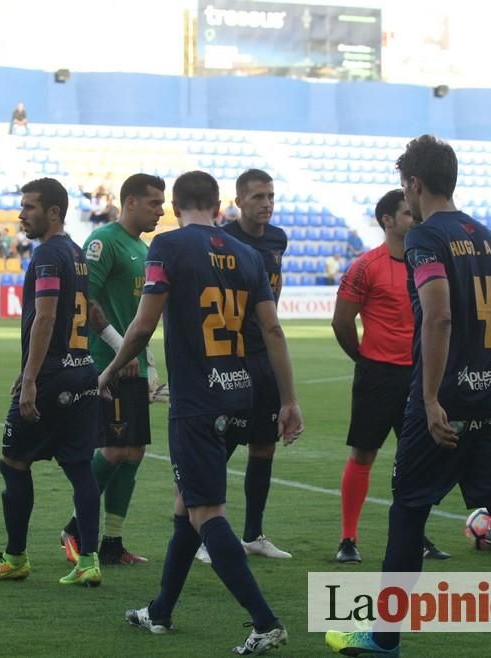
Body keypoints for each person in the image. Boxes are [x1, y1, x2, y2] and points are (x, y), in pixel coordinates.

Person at [326, 135, 491, 657]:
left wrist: (433, 397)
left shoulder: (425, 239)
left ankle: (384, 638)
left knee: (407, 514)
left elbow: (437, 315)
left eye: (404, 186)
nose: (404, 199)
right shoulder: (487, 238)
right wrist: (482, 370)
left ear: (413, 184)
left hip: (444, 403)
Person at [100, 170, 303, 655]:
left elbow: (144, 325)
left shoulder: (168, 247)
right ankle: (161, 611)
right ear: (218, 206)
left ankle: (264, 621)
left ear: (174, 206)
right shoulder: (250, 255)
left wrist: (109, 372)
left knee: (206, 511)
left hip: (196, 402)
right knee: (185, 504)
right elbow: (272, 332)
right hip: (242, 394)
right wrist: (289, 400)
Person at [0, 177, 104, 586]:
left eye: (29, 206)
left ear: (54, 212)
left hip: (52, 379)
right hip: (83, 372)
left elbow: (45, 316)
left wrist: (30, 378)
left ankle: (15, 557)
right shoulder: (77, 255)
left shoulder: (47, 254)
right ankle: (90, 560)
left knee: (13, 462)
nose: (22, 213)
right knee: (80, 468)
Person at [331, 189, 450, 564]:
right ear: (387, 221)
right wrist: (365, 358)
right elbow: (341, 320)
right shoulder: (367, 266)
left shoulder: (427, 261)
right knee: (364, 453)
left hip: (420, 374)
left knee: (419, 458)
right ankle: (348, 539)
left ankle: (416, 535)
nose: (414, 217)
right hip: (379, 373)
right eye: (406, 213)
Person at [60, 173, 166, 567]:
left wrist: (150, 364)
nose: (160, 210)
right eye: (154, 202)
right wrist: (119, 348)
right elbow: (84, 301)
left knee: (134, 453)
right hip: (107, 365)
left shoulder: (142, 248)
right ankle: (73, 527)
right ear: (131, 201)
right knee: (115, 448)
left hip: (134, 365)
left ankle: (112, 543)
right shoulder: (103, 242)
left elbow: (140, 317)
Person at [206, 168, 291, 561]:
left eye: (270, 196)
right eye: (258, 197)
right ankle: (205, 534)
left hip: (264, 356)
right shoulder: (221, 239)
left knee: (263, 444)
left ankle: (254, 534)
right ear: (238, 201)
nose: (266, 204)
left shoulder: (278, 240)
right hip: (231, 353)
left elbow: (274, 288)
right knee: (218, 445)